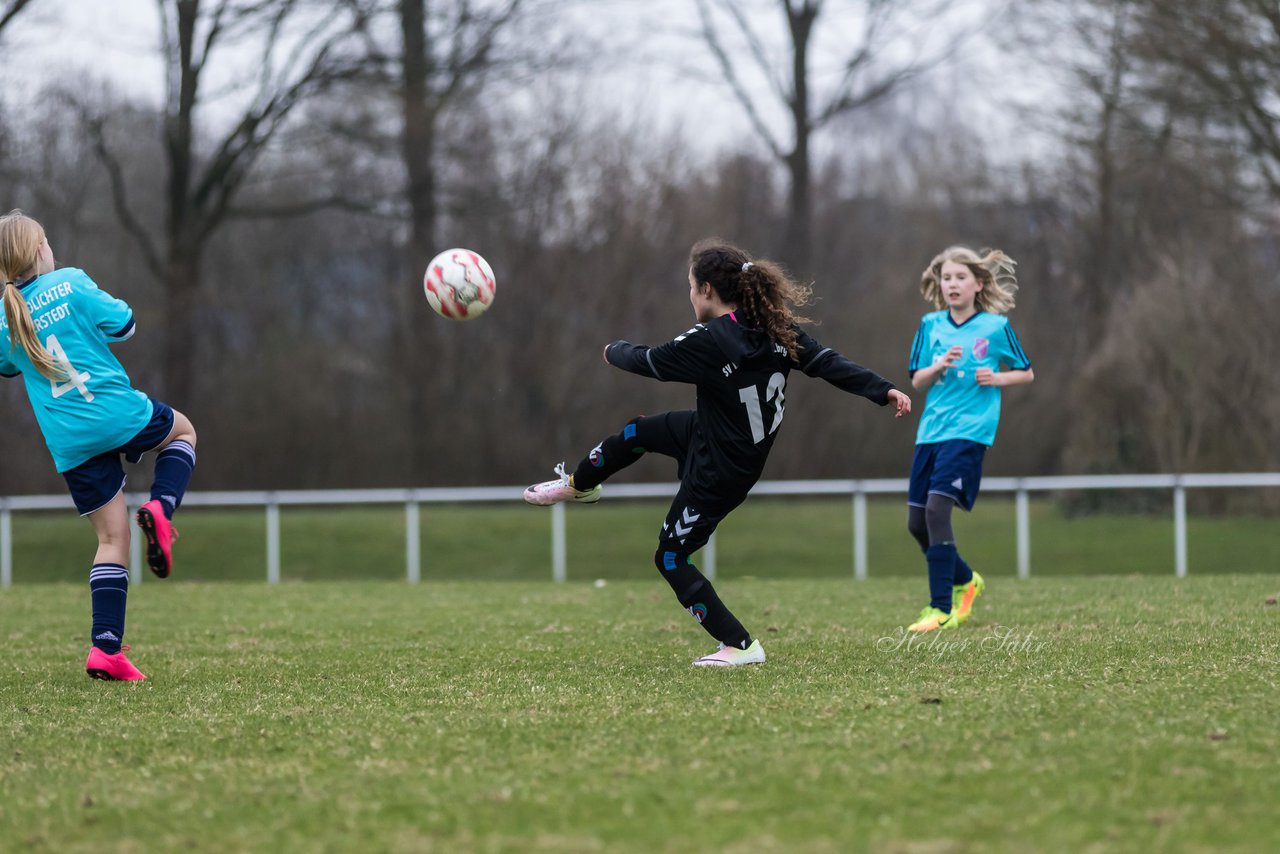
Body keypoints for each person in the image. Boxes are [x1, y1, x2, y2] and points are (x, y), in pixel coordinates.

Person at [524, 239, 911, 666]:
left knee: (670, 556)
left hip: (722, 468)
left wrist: (610, 350)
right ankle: (579, 485)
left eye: (690, 286)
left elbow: (649, 362)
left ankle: (741, 646)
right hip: (711, 433)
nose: (689, 294)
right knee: (637, 432)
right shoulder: (774, 326)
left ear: (706, 289)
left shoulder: (711, 339)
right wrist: (883, 389)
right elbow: (829, 363)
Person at [0, 210, 196, 681]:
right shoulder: (70, 281)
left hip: (69, 441)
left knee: (112, 539)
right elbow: (125, 325)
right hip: (114, 412)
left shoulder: (6, 316)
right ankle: (162, 511)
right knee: (184, 433)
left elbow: (8, 368)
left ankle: (105, 650)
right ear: (40, 250)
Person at [904, 246, 1033, 632]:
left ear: (978, 284)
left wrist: (998, 378)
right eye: (946, 278)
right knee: (916, 522)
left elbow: (1025, 372)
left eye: (960, 277)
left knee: (936, 511)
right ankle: (966, 580)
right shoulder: (930, 325)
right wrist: (938, 365)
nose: (952, 284)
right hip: (931, 431)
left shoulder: (995, 327)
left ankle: (940, 608)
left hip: (970, 432)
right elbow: (916, 380)